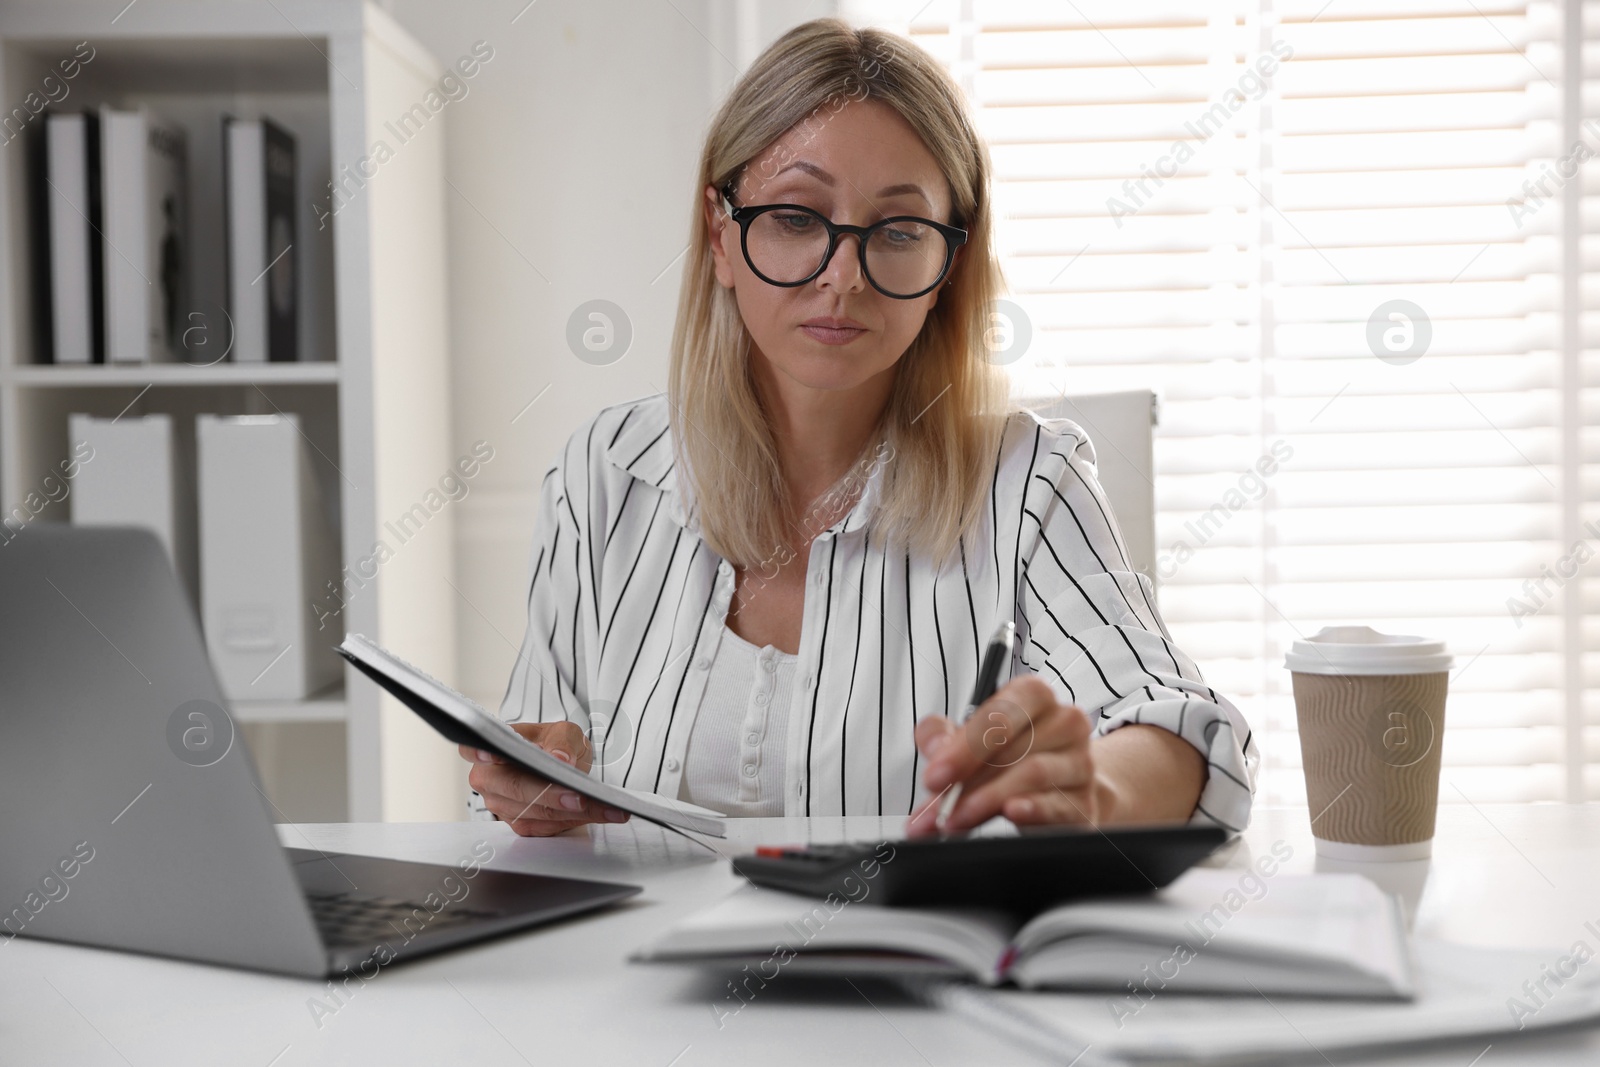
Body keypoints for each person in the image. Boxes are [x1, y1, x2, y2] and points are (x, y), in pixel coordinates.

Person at [461, 18, 1257, 838]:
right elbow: (514, 778)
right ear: (720, 235)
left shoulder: (1029, 482)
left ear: (950, 261)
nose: (843, 278)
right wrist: (524, 790)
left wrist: (1097, 787)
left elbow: (1187, 730)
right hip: (635, 965)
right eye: (798, 217)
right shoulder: (605, 474)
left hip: (910, 963)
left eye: (900, 230)